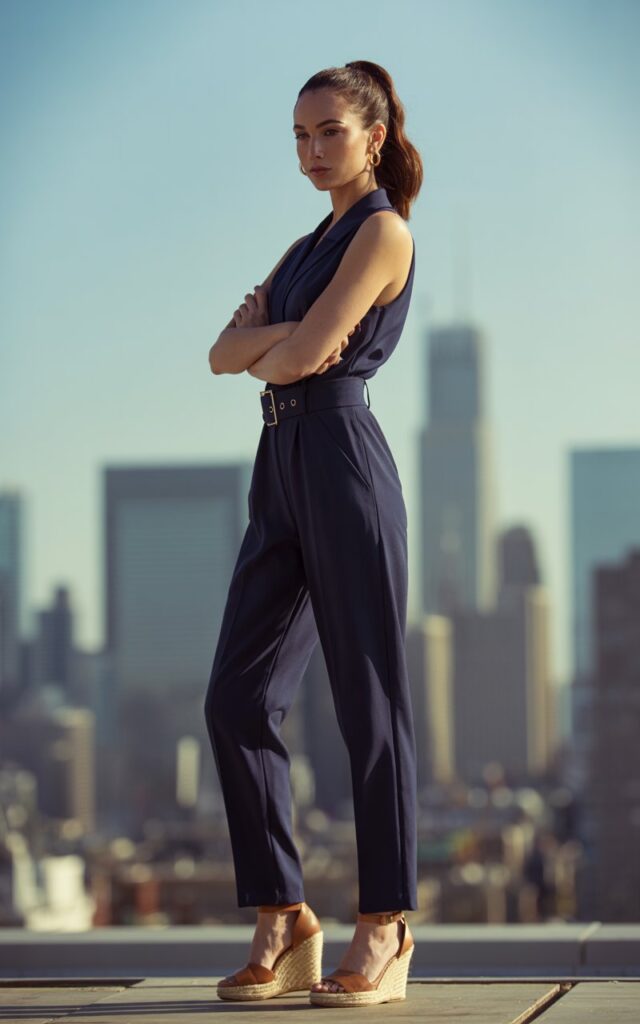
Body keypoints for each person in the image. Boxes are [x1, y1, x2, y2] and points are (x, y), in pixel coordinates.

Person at [204, 59, 424, 1008]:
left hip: (343, 463)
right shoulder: (305, 245)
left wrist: (275, 341)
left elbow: (289, 354)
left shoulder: (382, 233)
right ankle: (284, 919)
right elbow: (223, 357)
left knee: (368, 708)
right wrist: (275, 343)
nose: (311, 149)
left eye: (328, 130)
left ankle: (386, 926)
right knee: (235, 700)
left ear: (372, 137)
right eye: (299, 134)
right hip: (278, 468)